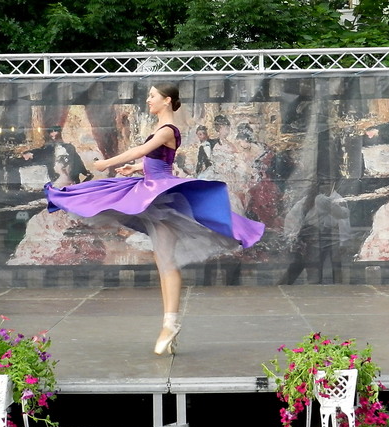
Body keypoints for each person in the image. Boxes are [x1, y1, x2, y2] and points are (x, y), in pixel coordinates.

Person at [45, 84, 265, 355]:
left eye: (152, 96)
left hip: (162, 196)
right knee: (164, 260)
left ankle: (170, 325)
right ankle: (169, 325)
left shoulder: (167, 129)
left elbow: (141, 150)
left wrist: (107, 164)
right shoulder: (162, 128)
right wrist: (136, 168)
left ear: (167, 100)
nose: (148, 100)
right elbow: (157, 158)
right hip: (153, 189)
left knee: (166, 260)